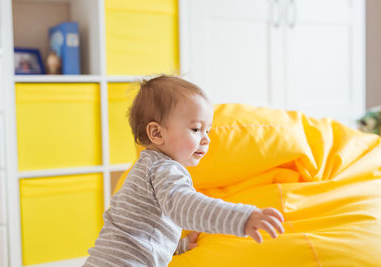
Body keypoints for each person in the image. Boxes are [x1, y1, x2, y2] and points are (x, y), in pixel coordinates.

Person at [83, 75, 285, 267]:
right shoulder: (164, 169)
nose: (206, 139)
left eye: (208, 130)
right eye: (196, 129)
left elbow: (140, 231)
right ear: (156, 133)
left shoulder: (144, 168)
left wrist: (178, 246)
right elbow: (186, 207)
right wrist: (242, 218)